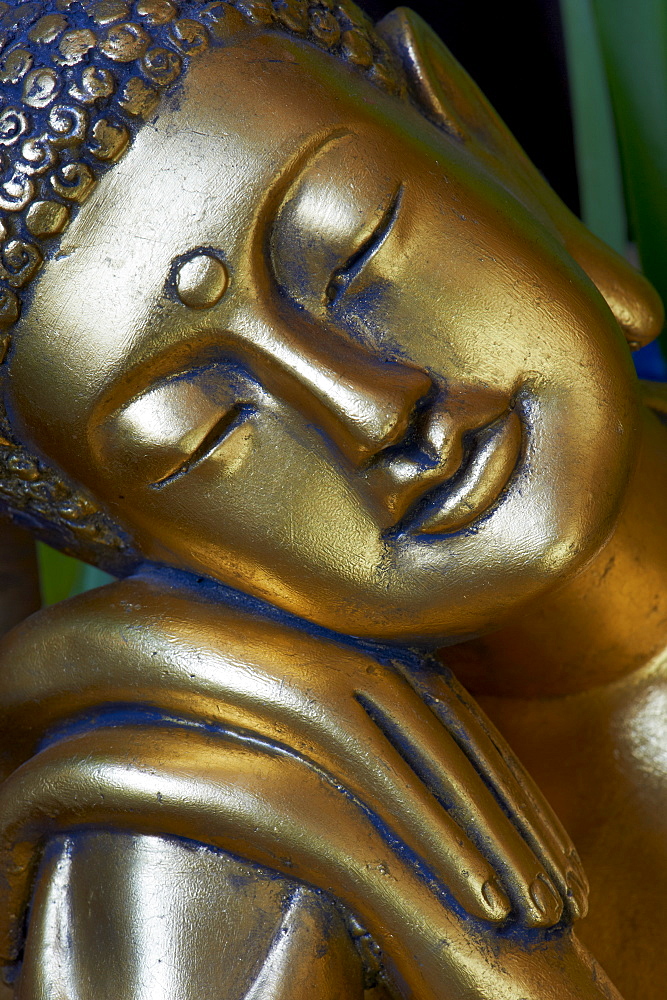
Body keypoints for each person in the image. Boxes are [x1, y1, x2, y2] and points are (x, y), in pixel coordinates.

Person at [0, 1, 662, 997]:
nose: (372, 411)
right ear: (159, 556)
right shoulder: (220, 846)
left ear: (463, 130)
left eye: (351, 250)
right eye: (202, 435)